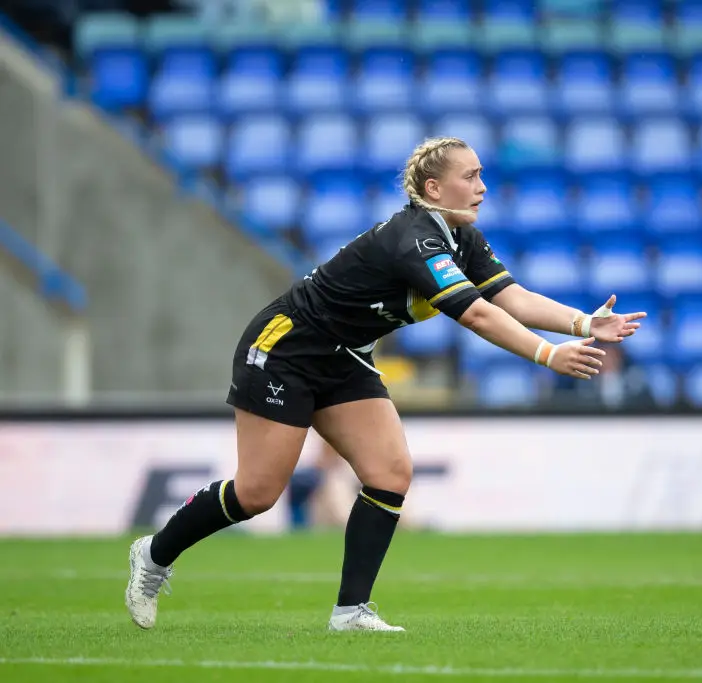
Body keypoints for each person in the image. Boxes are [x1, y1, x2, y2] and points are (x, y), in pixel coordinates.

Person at [124, 137, 646, 632]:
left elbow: (511, 297)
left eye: (482, 175)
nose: (483, 186)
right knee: (258, 493)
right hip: (285, 349)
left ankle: (351, 611)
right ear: (434, 188)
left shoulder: (460, 236)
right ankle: (154, 554)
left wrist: (583, 324)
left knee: (390, 472)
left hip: (344, 355)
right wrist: (548, 354)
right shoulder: (413, 238)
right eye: (471, 175)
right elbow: (478, 316)